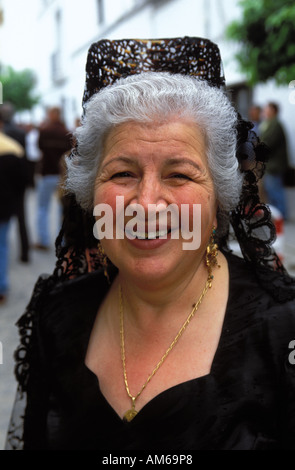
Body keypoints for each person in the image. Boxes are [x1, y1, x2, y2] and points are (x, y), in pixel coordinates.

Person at [6, 37, 295, 450]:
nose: (146, 203)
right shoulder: (57, 315)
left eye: (180, 175)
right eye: (122, 173)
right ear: (90, 196)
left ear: (219, 201)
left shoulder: (284, 331)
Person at [34, 107, 72, 249]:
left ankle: (43, 239)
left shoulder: (44, 131)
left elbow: (39, 148)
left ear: (51, 114)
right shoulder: (66, 132)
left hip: (47, 173)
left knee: (43, 207)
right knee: (61, 209)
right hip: (62, 175)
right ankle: (62, 241)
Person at [0, 110, 27, 303]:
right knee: (2, 245)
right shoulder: (13, 148)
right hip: (4, 206)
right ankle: (1, 287)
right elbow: (21, 182)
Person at [1, 102, 31, 263]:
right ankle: (24, 252)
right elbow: (24, 158)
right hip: (18, 181)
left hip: (6, 182)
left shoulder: (6, 133)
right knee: (22, 218)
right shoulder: (20, 133)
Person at [259, 102, 289, 220]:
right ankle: (277, 216)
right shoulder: (269, 123)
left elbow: (268, 143)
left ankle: (280, 216)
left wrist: (258, 146)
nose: (264, 111)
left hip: (274, 165)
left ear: (273, 111)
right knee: (272, 191)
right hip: (272, 165)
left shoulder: (275, 124)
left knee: (275, 191)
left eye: (267, 109)